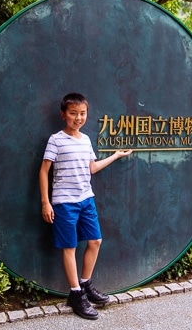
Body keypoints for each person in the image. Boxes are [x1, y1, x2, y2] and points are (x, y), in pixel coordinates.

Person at [39, 92, 132, 320]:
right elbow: (43, 171)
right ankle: (75, 294)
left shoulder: (87, 139)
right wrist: (45, 202)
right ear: (63, 115)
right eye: (73, 113)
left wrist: (115, 156)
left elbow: (91, 168)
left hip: (86, 199)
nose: (78, 118)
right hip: (64, 203)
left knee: (95, 241)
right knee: (69, 247)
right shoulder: (56, 139)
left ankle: (85, 284)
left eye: (82, 113)